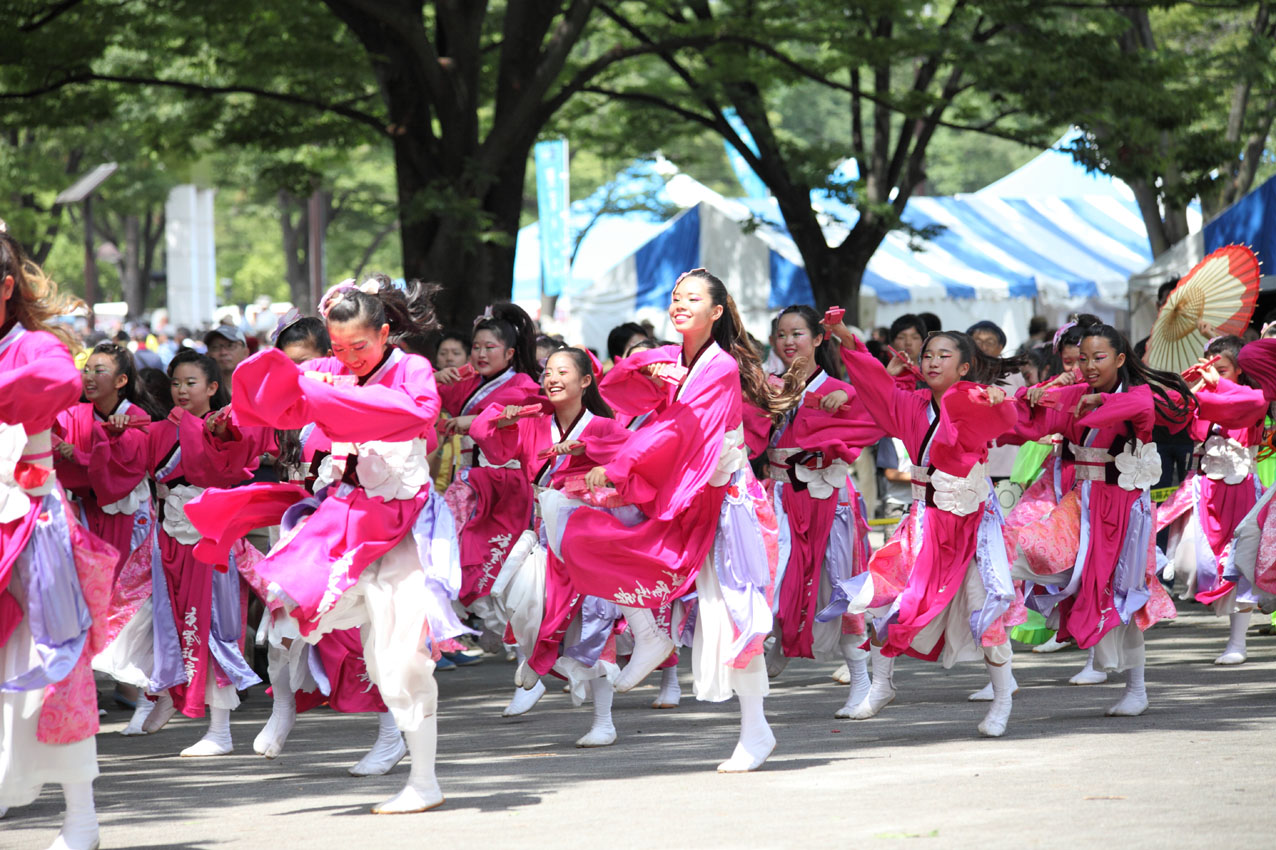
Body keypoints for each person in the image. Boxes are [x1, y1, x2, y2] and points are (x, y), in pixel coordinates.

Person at [192, 277, 464, 813]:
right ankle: (287, 706)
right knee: (289, 612)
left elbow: (418, 413)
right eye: (338, 348)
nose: (348, 358)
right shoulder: (331, 371)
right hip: (347, 519)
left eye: (359, 346)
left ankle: (423, 779)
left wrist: (334, 397)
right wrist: (255, 405)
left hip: (404, 527)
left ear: (385, 332)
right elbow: (279, 389)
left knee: (400, 661)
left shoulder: (410, 369)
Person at [551, 268, 782, 772]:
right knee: (616, 549)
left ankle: (755, 730)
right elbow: (617, 387)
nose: (679, 305)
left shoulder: (717, 366)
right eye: (676, 298)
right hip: (695, 498)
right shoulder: (678, 359)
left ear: (716, 312)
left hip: (728, 506)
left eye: (692, 299)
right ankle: (653, 634)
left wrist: (618, 466)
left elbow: (677, 429)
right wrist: (648, 370)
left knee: (733, 614)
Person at [827, 322, 1023, 737]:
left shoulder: (972, 398)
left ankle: (1002, 699)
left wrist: (998, 401)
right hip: (922, 522)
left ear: (966, 367)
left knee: (984, 608)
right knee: (883, 598)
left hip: (971, 528)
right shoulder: (914, 405)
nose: (932, 361)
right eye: (928, 355)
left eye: (943, 355)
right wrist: (849, 341)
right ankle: (882, 685)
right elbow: (878, 386)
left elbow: (1008, 417)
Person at [0, 226, 116, 850]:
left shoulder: (34, 348)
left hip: (33, 528)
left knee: (57, 668)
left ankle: (81, 816)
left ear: (7, 287)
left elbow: (60, 384)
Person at [1012, 324, 1188, 717]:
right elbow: (1030, 421)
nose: (1088, 366)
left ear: (1121, 359)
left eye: (1099, 358)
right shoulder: (1079, 394)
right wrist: (1029, 394)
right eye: (1082, 359)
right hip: (1081, 504)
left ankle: (1137, 690)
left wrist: (1093, 404)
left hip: (1123, 512)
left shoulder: (1137, 397)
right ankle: (1001, 670)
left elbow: (1137, 408)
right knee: (1021, 553)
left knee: (1123, 598)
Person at [471, 347, 633, 746]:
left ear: (586, 382)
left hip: (588, 536)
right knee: (525, 605)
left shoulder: (601, 426)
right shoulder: (533, 421)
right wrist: (505, 420)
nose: (553, 378)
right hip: (544, 535)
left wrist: (588, 453)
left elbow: (630, 457)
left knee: (591, 623)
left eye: (563, 372)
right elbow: (485, 435)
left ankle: (603, 721)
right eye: (548, 372)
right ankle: (535, 666)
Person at [137, 350, 273, 756]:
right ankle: (163, 687)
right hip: (169, 538)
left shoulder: (226, 426)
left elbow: (238, 466)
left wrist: (214, 434)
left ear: (212, 388)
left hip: (211, 539)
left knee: (212, 626)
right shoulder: (157, 430)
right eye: (176, 383)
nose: (181, 390)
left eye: (191, 383)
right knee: (160, 618)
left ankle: (220, 729)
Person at [760, 305, 884, 717]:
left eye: (797, 333)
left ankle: (861, 682)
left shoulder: (840, 388)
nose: (789, 341)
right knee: (769, 578)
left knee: (840, 585)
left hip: (829, 497)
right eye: (781, 334)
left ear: (818, 338)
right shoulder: (765, 387)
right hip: (776, 494)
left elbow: (873, 412)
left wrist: (844, 397)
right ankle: (779, 639)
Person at [53, 342, 161, 735]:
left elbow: (122, 472)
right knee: (85, 600)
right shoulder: (73, 415)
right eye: (87, 370)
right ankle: (92, 692)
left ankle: (140, 693)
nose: (90, 378)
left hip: (128, 518)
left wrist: (80, 455)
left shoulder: (137, 419)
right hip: (87, 515)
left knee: (131, 604)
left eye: (100, 371)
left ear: (121, 380)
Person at [434, 303, 542, 657]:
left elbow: (521, 417)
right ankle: (493, 626)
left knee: (497, 562)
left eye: (489, 348)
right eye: (476, 347)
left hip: (503, 484)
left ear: (510, 353)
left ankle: (513, 632)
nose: (480, 354)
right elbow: (432, 402)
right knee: (458, 550)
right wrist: (436, 379)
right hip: (470, 481)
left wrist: (476, 421)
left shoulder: (523, 384)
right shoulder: (467, 382)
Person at [1157, 336, 1267, 663]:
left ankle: (1237, 643)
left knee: (1239, 567)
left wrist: (1218, 387)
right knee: (1190, 563)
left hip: (1241, 488)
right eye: (1210, 367)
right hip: (1205, 489)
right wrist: (1186, 389)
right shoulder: (1203, 399)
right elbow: (1173, 418)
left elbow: (1252, 401)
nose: (1213, 374)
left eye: (1222, 369)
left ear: (1240, 370)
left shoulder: (1255, 397)